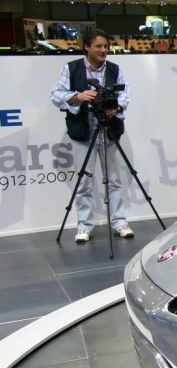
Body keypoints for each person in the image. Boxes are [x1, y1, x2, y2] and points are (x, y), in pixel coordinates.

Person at [50, 28, 133, 243]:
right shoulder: (71, 68)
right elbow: (56, 94)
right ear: (87, 47)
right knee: (84, 182)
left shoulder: (114, 69)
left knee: (114, 180)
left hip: (110, 132)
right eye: (98, 46)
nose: (103, 50)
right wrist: (78, 96)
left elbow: (125, 95)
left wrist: (115, 107)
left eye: (106, 46)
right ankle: (85, 226)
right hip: (83, 134)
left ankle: (119, 222)